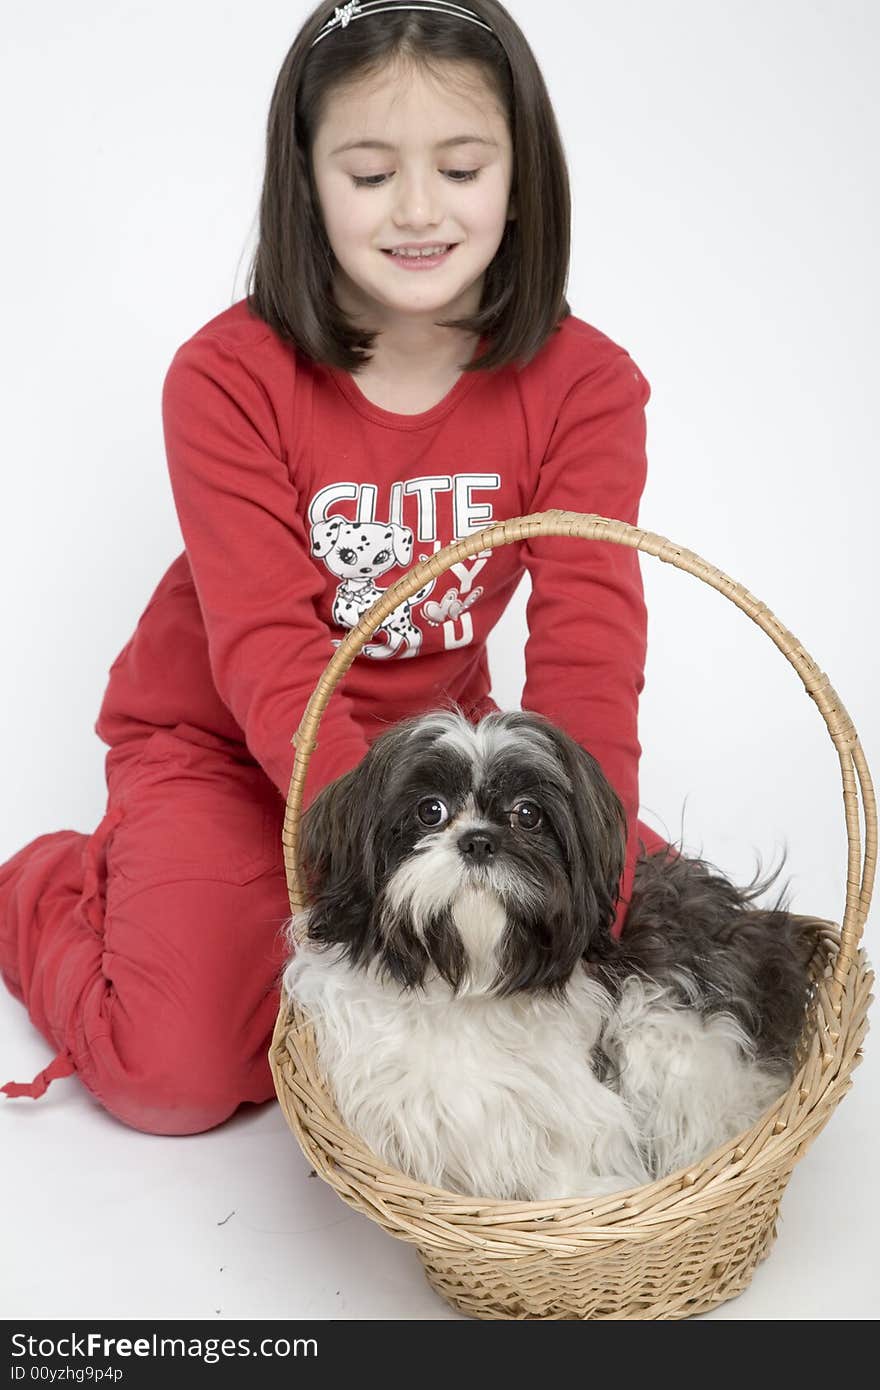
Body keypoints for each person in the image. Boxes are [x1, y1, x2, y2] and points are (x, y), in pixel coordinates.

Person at [0, 0, 672, 1135]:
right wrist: (371, 875)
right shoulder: (226, 378)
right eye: (369, 175)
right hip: (223, 744)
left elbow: (589, 645)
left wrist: (582, 888)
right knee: (174, 1078)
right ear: (306, 179)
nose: (418, 209)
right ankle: (44, 889)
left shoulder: (586, 384)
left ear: (520, 172)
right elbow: (267, 649)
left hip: (429, 765)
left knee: (645, 950)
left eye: (460, 166)